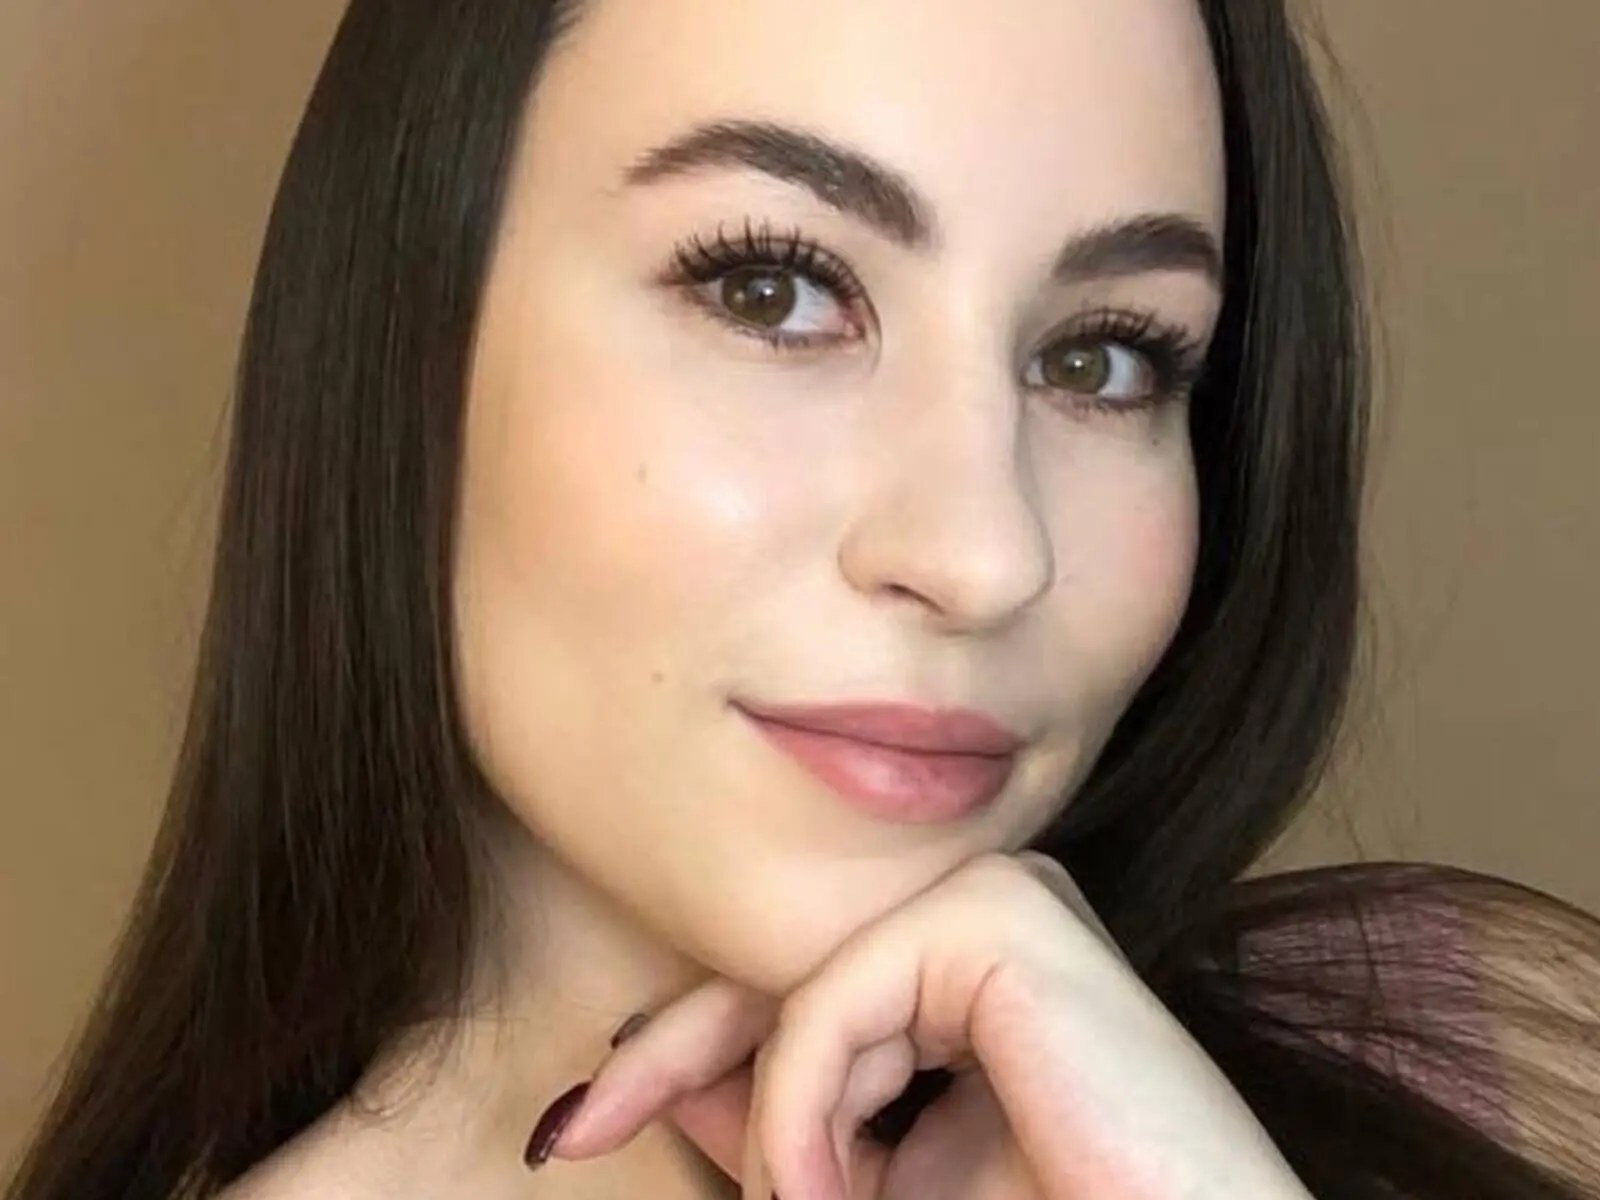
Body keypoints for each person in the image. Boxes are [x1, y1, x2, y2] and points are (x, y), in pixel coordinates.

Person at [7, 0, 1599, 1196]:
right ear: (398, 344)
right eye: (771, 288)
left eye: (1105, 357)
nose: (986, 554)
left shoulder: (1481, 1050)